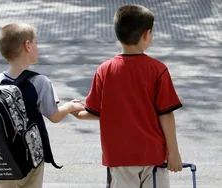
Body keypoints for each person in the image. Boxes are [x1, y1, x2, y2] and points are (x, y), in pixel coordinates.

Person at [71, 4, 183, 188]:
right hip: (153, 155)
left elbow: (95, 112)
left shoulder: (104, 70)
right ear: (147, 34)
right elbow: (166, 115)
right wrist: (174, 152)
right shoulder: (158, 70)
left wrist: (75, 111)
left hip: (119, 158)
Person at [0, 23, 84, 188]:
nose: (37, 46)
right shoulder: (39, 81)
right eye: (35, 42)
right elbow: (55, 116)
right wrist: (70, 106)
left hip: (4, 159)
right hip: (31, 156)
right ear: (27, 45)